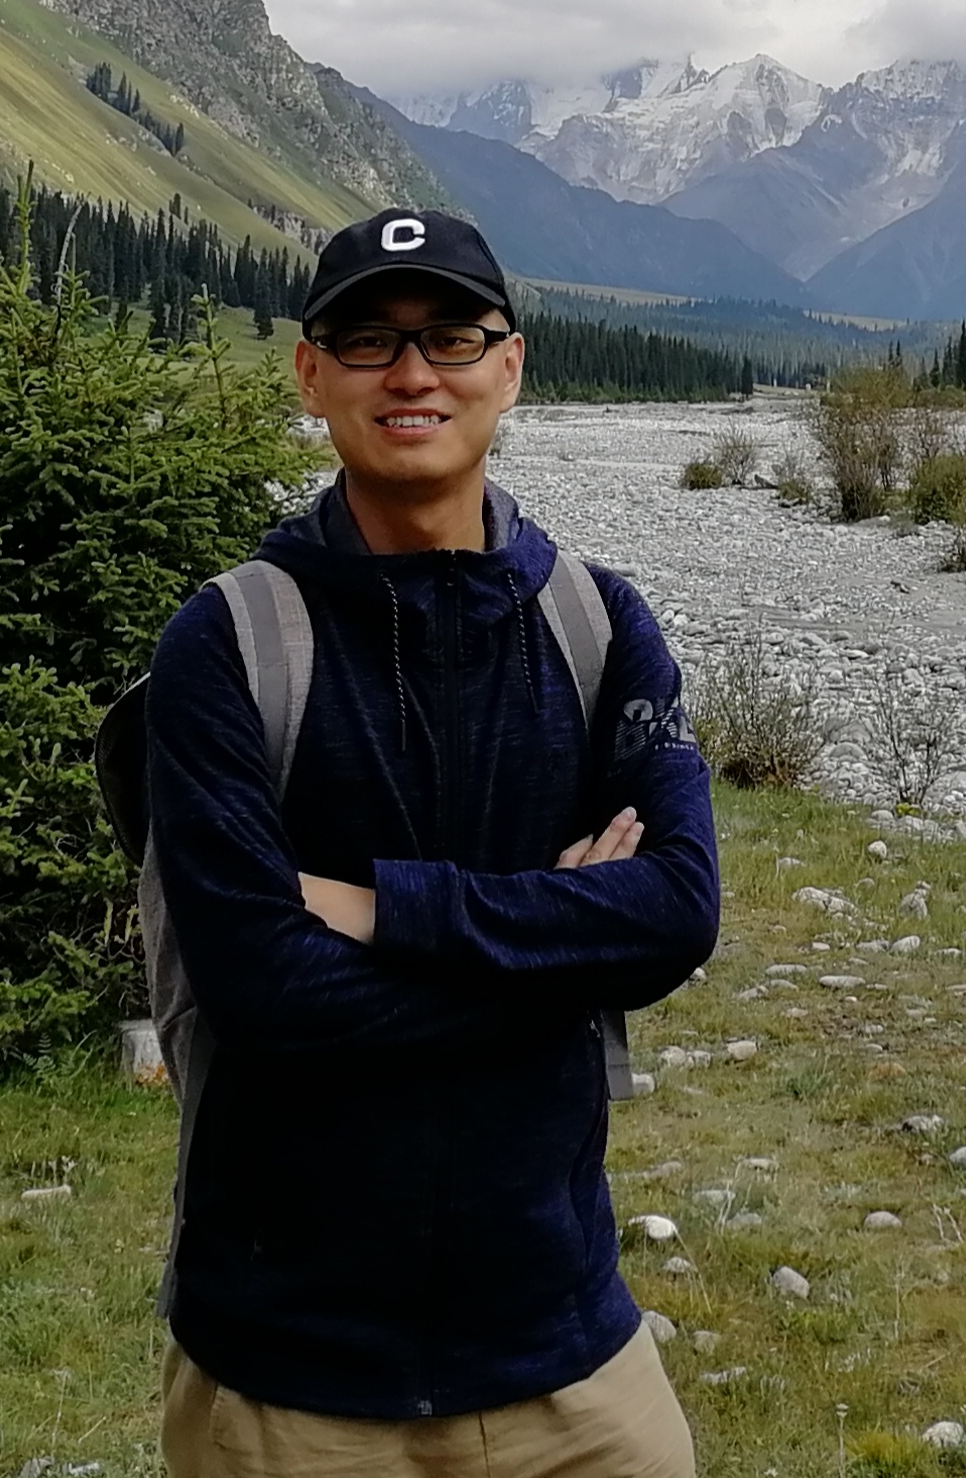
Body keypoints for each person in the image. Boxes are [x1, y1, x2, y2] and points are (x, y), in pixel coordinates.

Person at [141, 206, 718, 1476]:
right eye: (368, 339)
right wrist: (563, 952)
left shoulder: (600, 625)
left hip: (570, 1358)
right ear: (310, 374)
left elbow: (677, 912)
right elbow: (265, 991)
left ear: (509, 366)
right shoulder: (227, 645)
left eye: (452, 336)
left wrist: (384, 908)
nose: (412, 372)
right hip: (290, 1380)